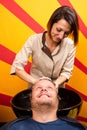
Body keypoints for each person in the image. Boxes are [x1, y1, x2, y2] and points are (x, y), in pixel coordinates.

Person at [10, 5, 79, 88]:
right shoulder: (33, 40)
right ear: (51, 23)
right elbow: (17, 67)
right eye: (58, 30)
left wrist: (55, 84)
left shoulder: (70, 45)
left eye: (66, 33)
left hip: (57, 89)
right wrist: (35, 81)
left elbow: (67, 72)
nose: (61, 36)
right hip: (35, 88)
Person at [0, 79, 86, 130]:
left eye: (49, 87)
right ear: (30, 100)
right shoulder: (11, 128)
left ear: (58, 100)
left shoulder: (77, 128)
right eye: (38, 88)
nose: (44, 89)